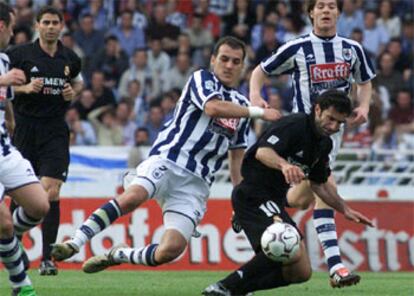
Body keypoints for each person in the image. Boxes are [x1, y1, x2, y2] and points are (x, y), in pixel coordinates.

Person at [50, 36, 280, 273]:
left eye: (236, 61)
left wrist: (238, 200)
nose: (229, 65)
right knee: (132, 197)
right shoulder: (202, 79)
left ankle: (119, 253)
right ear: (213, 60)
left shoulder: (240, 106)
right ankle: (75, 243)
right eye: (224, 59)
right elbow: (212, 108)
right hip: (169, 160)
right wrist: (258, 113)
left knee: (170, 249)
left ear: (242, 67)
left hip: (196, 184)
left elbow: (236, 159)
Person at [247, 0, 376, 288]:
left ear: (339, 13)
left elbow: (365, 81)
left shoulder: (351, 49)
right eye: (320, 6)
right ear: (311, 13)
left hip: (334, 133)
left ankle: (256, 204)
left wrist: (364, 107)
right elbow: (259, 70)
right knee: (325, 185)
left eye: (332, 5)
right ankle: (337, 267)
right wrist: (255, 97)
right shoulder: (298, 47)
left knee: (302, 197)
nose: (326, 10)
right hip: (303, 131)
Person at [203, 90, 374, 296]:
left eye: (339, 123)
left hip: (274, 200)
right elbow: (262, 151)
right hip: (253, 193)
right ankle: (224, 287)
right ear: (317, 109)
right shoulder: (295, 125)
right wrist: (284, 165)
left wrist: (345, 209)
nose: (334, 127)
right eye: (330, 119)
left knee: (301, 272)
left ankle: (237, 290)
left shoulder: (324, 144)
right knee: (286, 243)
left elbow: (319, 185)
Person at [7, 6, 83, 276]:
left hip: (54, 131)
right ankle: (13, 246)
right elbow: (3, 84)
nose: (51, 27)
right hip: (25, 128)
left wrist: (71, 93)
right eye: (46, 22)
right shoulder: (18, 55)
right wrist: (24, 88)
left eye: (55, 22)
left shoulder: (70, 58)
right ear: (37, 25)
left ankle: (48, 258)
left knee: (51, 191)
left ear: (62, 26)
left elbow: (78, 84)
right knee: (22, 193)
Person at [0, 3, 50, 295]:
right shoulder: (5, 70)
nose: (15, 32)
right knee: (4, 222)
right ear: (2, 26)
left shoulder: (4, 60)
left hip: (4, 147)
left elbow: (4, 96)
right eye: (14, 26)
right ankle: (21, 284)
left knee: (39, 205)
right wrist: (5, 81)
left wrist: (9, 114)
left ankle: (9, 244)